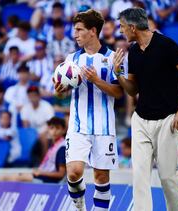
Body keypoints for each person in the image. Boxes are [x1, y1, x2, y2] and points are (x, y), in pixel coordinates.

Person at [114, 8, 178, 211]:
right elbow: (133, 91)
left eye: (123, 27)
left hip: (167, 120)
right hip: (141, 120)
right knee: (139, 175)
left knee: (168, 176)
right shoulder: (133, 52)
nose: (121, 31)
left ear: (133, 27)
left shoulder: (166, 45)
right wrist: (118, 74)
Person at [54, 9, 123, 211]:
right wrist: (59, 92)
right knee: (74, 173)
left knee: (101, 177)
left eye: (79, 29)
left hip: (104, 126)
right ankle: (81, 206)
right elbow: (61, 93)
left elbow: (119, 93)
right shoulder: (71, 59)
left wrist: (96, 80)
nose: (75, 34)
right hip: (77, 126)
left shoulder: (112, 58)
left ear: (93, 31)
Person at [0, 117, 67, 183]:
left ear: (63, 130)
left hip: (50, 180)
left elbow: (61, 174)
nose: (54, 131)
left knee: (17, 178)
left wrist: (42, 173)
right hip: (43, 175)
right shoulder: (53, 146)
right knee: (4, 177)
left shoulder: (62, 148)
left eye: (57, 128)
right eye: (52, 128)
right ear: (48, 129)